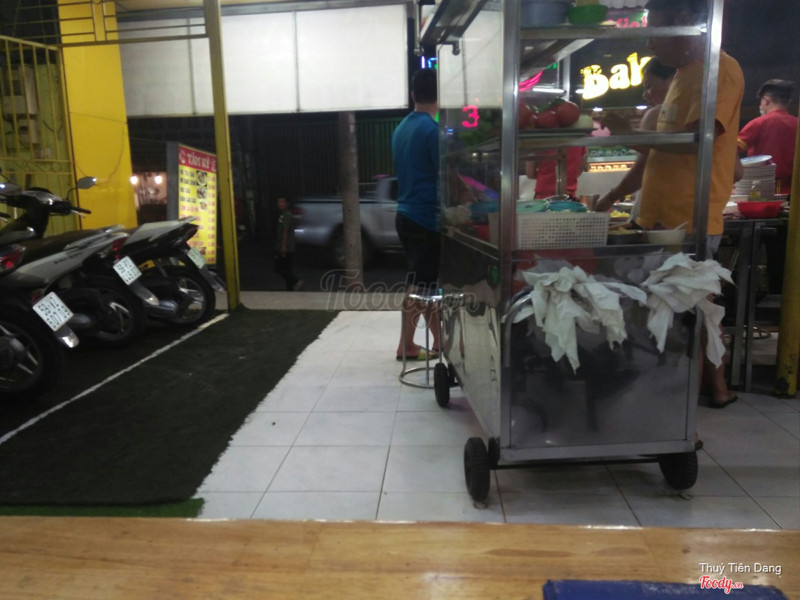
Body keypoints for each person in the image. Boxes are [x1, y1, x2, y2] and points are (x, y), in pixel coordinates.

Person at [640, 0, 744, 411]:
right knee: (688, 311)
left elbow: (699, 138)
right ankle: (703, 395)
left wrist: (635, 138)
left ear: (683, 22)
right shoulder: (684, 74)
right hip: (666, 222)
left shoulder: (721, 70)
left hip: (691, 220)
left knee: (692, 314)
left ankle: (682, 418)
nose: (649, 43)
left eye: (654, 30)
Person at [392, 68, 441, 361]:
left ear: (413, 94)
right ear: (440, 95)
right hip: (425, 218)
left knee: (424, 285)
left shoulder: (402, 128)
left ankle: (440, 341)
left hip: (405, 214)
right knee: (422, 288)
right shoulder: (431, 131)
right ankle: (407, 346)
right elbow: (446, 175)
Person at [594, 58, 676, 213]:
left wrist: (610, 197)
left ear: (671, 81)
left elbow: (641, 168)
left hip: (659, 208)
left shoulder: (656, 114)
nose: (645, 95)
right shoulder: (690, 114)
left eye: (649, 86)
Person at [738, 79, 797, 196]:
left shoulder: (758, 123)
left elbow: (733, 149)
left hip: (762, 192)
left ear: (765, 100)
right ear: (788, 103)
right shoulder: (797, 123)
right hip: (795, 192)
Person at [274, 196, 303, 291]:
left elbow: (285, 230)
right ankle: (290, 287)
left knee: (280, 267)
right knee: (286, 267)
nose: (279, 204)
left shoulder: (287, 215)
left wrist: (283, 246)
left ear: (287, 204)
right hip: (283, 245)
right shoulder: (282, 215)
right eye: (279, 202)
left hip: (287, 246)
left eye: (282, 202)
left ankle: (295, 281)